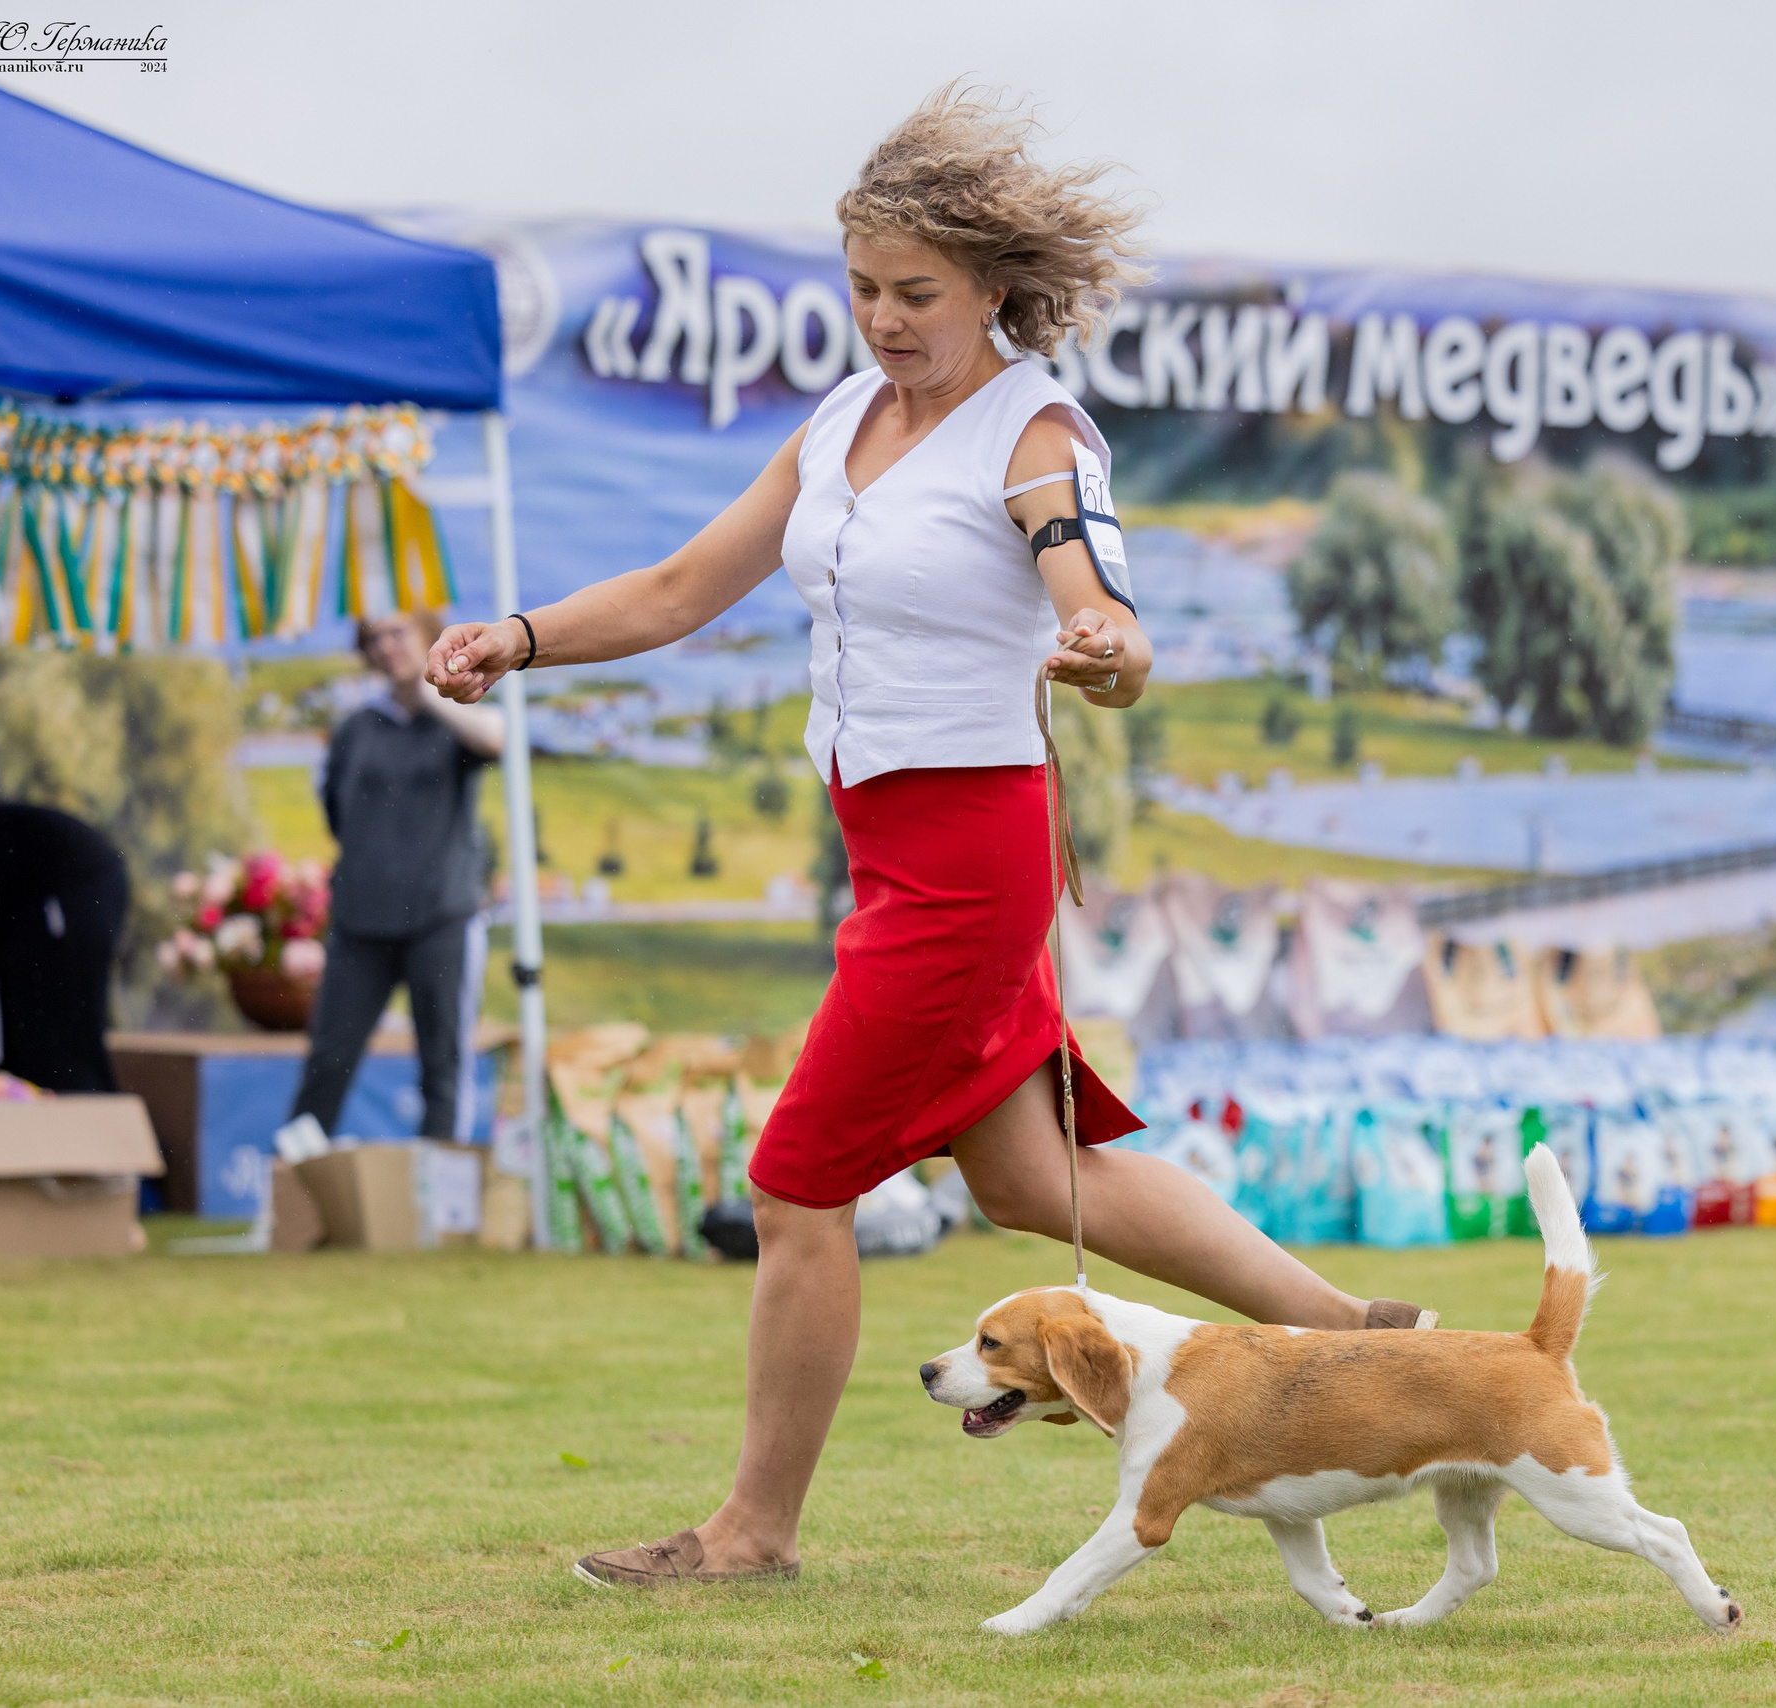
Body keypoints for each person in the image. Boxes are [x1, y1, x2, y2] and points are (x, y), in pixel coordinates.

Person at [428, 87, 1432, 1588]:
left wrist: (1105, 637)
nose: (886, 321)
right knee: (1033, 1179)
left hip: (969, 858)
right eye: (864, 291)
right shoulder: (843, 422)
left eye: (918, 294)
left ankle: (750, 1535)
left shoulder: (1030, 429)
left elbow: (1089, 579)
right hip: (893, 845)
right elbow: (678, 589)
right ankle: (1356, 1343)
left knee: (795, 1183)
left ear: (991, 291)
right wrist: (518, 635)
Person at [291, 607, 503, 1143]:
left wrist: (435, 693)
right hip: (361, 922)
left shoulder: (457, 720)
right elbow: (336, 813)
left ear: (427, 636)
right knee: (327, 1061)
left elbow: (497, 740)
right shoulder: (356, 729)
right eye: (373, 638)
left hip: (441, 919)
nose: (387, 646)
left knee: (442, 1065)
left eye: (398, 632)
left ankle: (440, 1205)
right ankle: (296, 1195)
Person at [0, 803, 130, 1092]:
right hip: (26, 900)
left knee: (56, 1053)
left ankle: (107, 1133)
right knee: (21, 1057)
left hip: (68, 874)